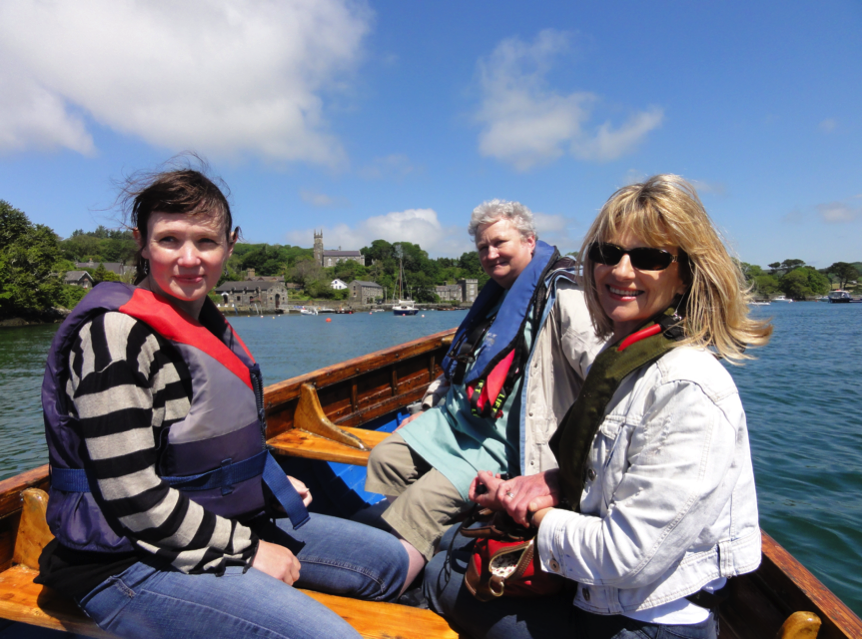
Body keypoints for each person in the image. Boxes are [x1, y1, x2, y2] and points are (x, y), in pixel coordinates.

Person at [36, 163, 408, 639]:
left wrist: (267, 480)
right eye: (169, 239)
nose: (189, 258)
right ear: (141, 242)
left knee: (394, 562)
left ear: (230, 245)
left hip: (220, 521)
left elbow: (203, 445)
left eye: (206, 242)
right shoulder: (115, 337)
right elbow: (133, 496)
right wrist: (250, 552)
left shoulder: (206, 324)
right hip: (124, 558)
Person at [423, 175, 773, 639]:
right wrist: (535, 486)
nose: (622, 271)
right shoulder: (629, 359)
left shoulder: (689, 387)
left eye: (649, 257)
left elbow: (626, 557)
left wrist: (535, 515)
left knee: (440, 578)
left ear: (685, 273)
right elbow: (615, 473)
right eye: (608, 253)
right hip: (603, 596)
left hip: (642, 621)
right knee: (451, 547)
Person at [365, 199, 603, 590]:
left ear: (529, 240)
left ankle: (394, 580)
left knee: (421, 504)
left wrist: (569, 468)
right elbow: (460, 365)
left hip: (500, 442)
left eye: (499, 242)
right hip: (452, 422)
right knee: (385, 457)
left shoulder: (565, 297)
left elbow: (604, 381)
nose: (490, 254)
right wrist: (426, 408)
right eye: (482, 248)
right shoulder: (494, 296)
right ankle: (416, 539)